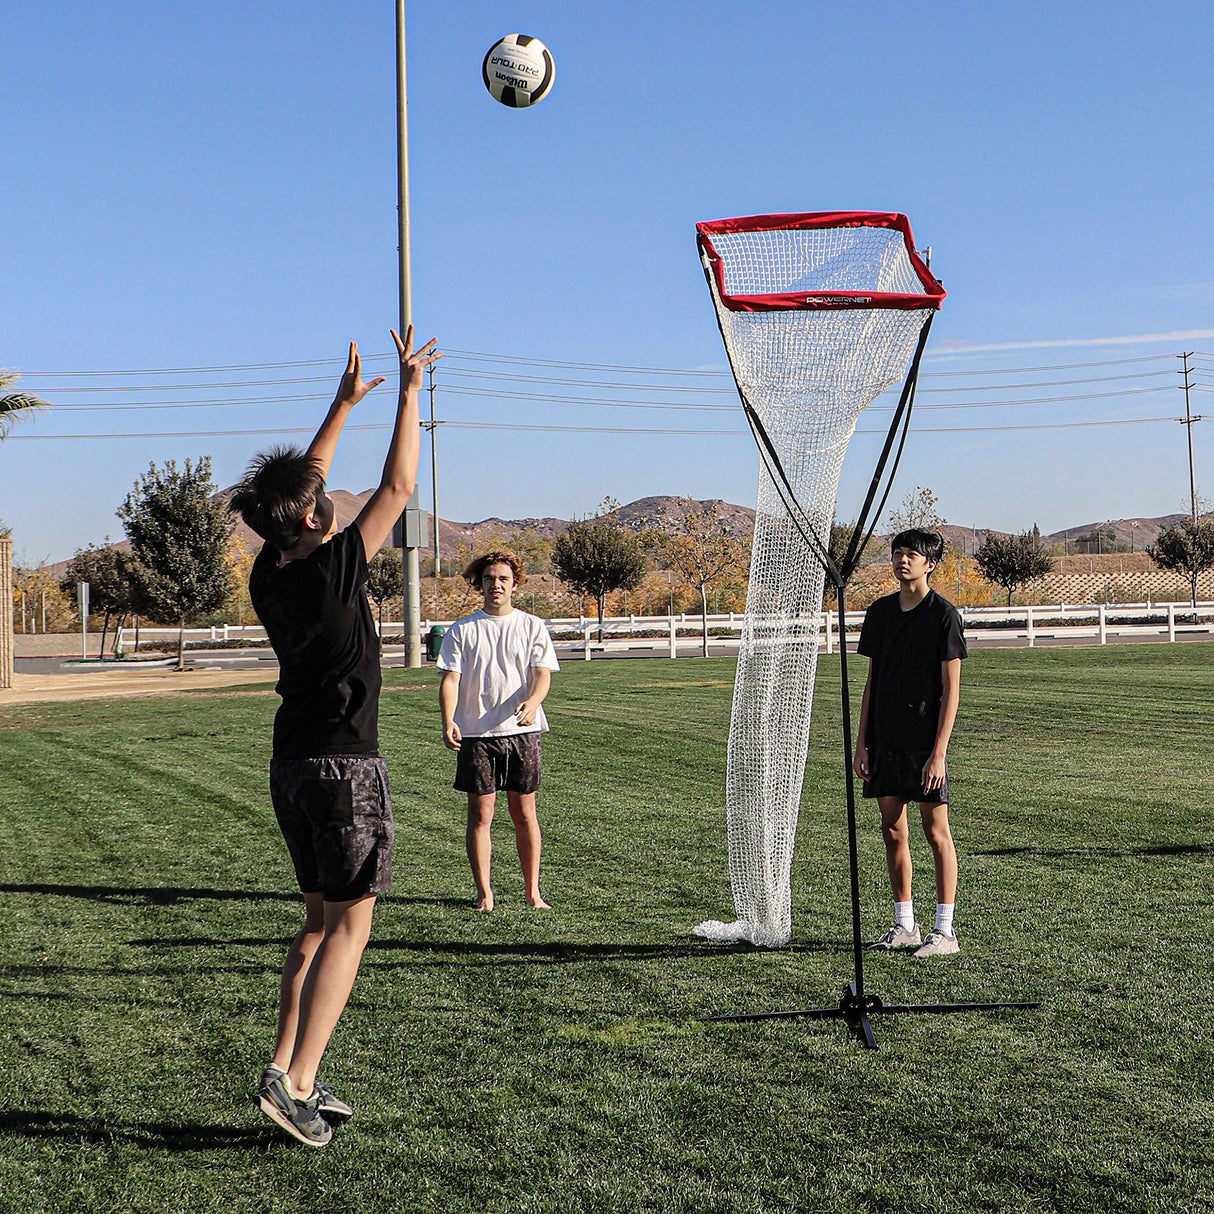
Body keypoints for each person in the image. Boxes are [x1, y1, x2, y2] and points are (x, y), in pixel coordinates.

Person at [228, 327, 441, 1146]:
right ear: (318, 517)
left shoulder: (269, 568)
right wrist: (409, 392)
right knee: (352, 923)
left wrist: (343, 403)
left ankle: (285, 1066)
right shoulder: (336, 563)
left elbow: (304, 493)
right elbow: (398, 483)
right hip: (344, 768)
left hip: (290, 765)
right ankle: (301, 1084)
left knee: (316, 921)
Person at [852, 528, 968, 959]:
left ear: (930, 564)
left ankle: (945, 931)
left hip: (924, 742)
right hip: (885, 739)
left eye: (912, 555)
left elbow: (952, 688)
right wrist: (863, 741)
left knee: (935, 831)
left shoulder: (943, 615)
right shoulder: (879, 613)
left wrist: (939, 751)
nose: (903, 561)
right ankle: (904, 924)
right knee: (892, 830)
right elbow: (871, 681)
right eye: (898, 553)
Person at [437, 551, 560, 912]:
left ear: (515, 584)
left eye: (503, 579)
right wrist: (449, 720)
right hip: (476, 735)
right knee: (480, 816)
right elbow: (450, 680)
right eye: (490, 578)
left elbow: (542, 674)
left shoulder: (532, 626)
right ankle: (484, 894)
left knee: (524, 814)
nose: (496, 585)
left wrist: (534, 702)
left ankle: (533, 892)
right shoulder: (462, 630)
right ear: (481, 584)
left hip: (522, 733)